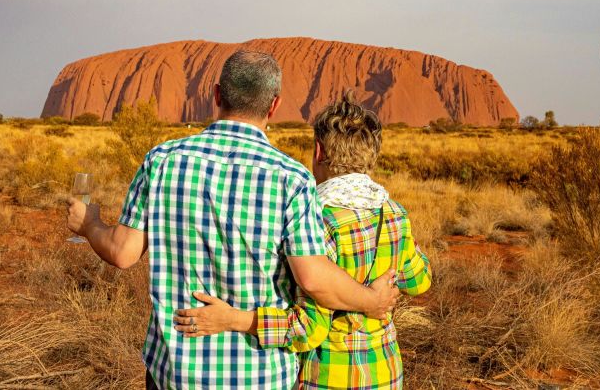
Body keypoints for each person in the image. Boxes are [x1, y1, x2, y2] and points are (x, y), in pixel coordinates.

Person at [67, 52, 399, 390]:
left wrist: (89, 224)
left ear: (217, 95)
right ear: (274, 105)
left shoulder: (162, 161)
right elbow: (313, 279)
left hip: (175, 374)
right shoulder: (291, 178)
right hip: (258, 376)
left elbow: (121, 252)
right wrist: (371, 300)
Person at [173, 92, 431, 390]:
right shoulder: (394, 213)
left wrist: (233, 319)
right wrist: (402, 259)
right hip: (385, 372)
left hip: (328, 377)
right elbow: (419, 281)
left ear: (319, 151)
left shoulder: (316, 220)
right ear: (372, 155)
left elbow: (307, 330)